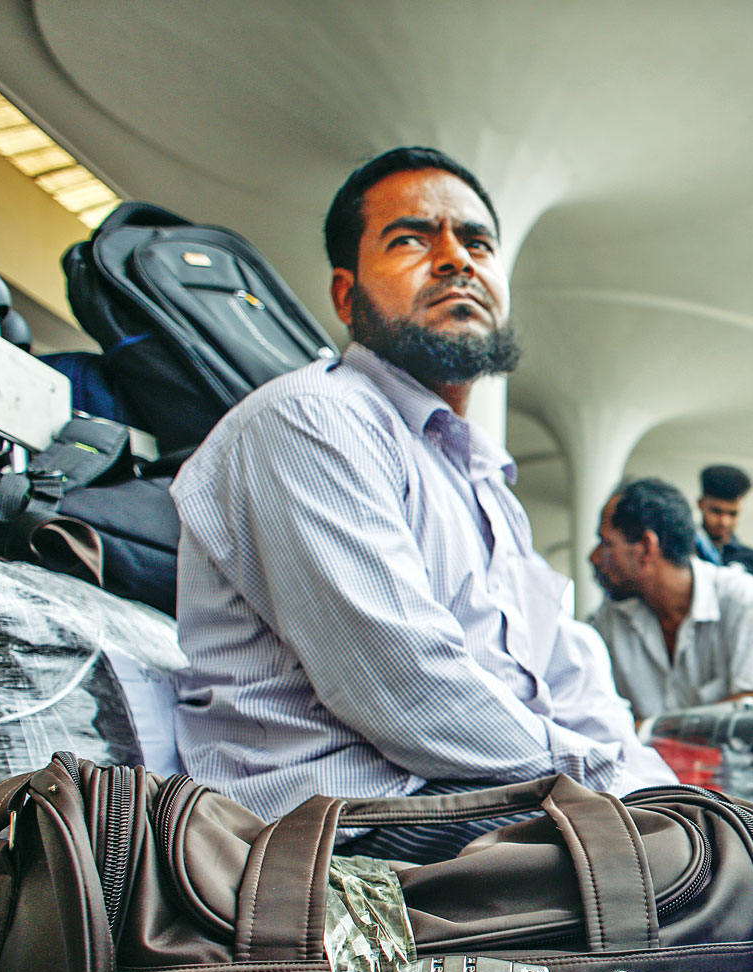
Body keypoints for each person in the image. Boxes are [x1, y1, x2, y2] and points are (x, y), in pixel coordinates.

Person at [172, 146, 675, 864]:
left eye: (477, 242)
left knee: (745, 858)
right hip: (347, 834)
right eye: (411, 238)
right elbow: (410, 693)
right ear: (346, 297)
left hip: (480, 799)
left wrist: (656, 796)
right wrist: (618, 794)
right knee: (698, 883)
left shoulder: (483, 484)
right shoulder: (311, 422)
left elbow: (568, 676)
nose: (455, 260)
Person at [587, 477, 753, 721]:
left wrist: (647, 730)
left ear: (647, 547)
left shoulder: (745, 601)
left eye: (607, 543)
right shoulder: (610, 620)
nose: (595, 557)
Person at [694, 463, 753, 583]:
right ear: (701, 504)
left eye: (732, 514)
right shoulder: (685, 554)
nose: (724, 522)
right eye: (716, 511)